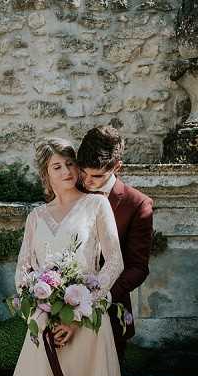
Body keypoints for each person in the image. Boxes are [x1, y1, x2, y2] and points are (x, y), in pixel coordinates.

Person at [7, 138, 124, 376]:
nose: (66, 171)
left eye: (70, 163)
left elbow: (115, 261)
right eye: (57, 166)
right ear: (45, 174)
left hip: (87, 324)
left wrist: (78, 314)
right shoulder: (36, 216)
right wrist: (41, 314)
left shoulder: (96, 204)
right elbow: (23, 272)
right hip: (46, 325)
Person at [76, 125, 153, 361]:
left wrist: (102, 296)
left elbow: (138, 268)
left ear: (116, 167)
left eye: (97, 176)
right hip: (62, 312)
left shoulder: (138, 204)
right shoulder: (71, 190)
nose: (87, 182)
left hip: (110, 314)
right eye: (83, 173)